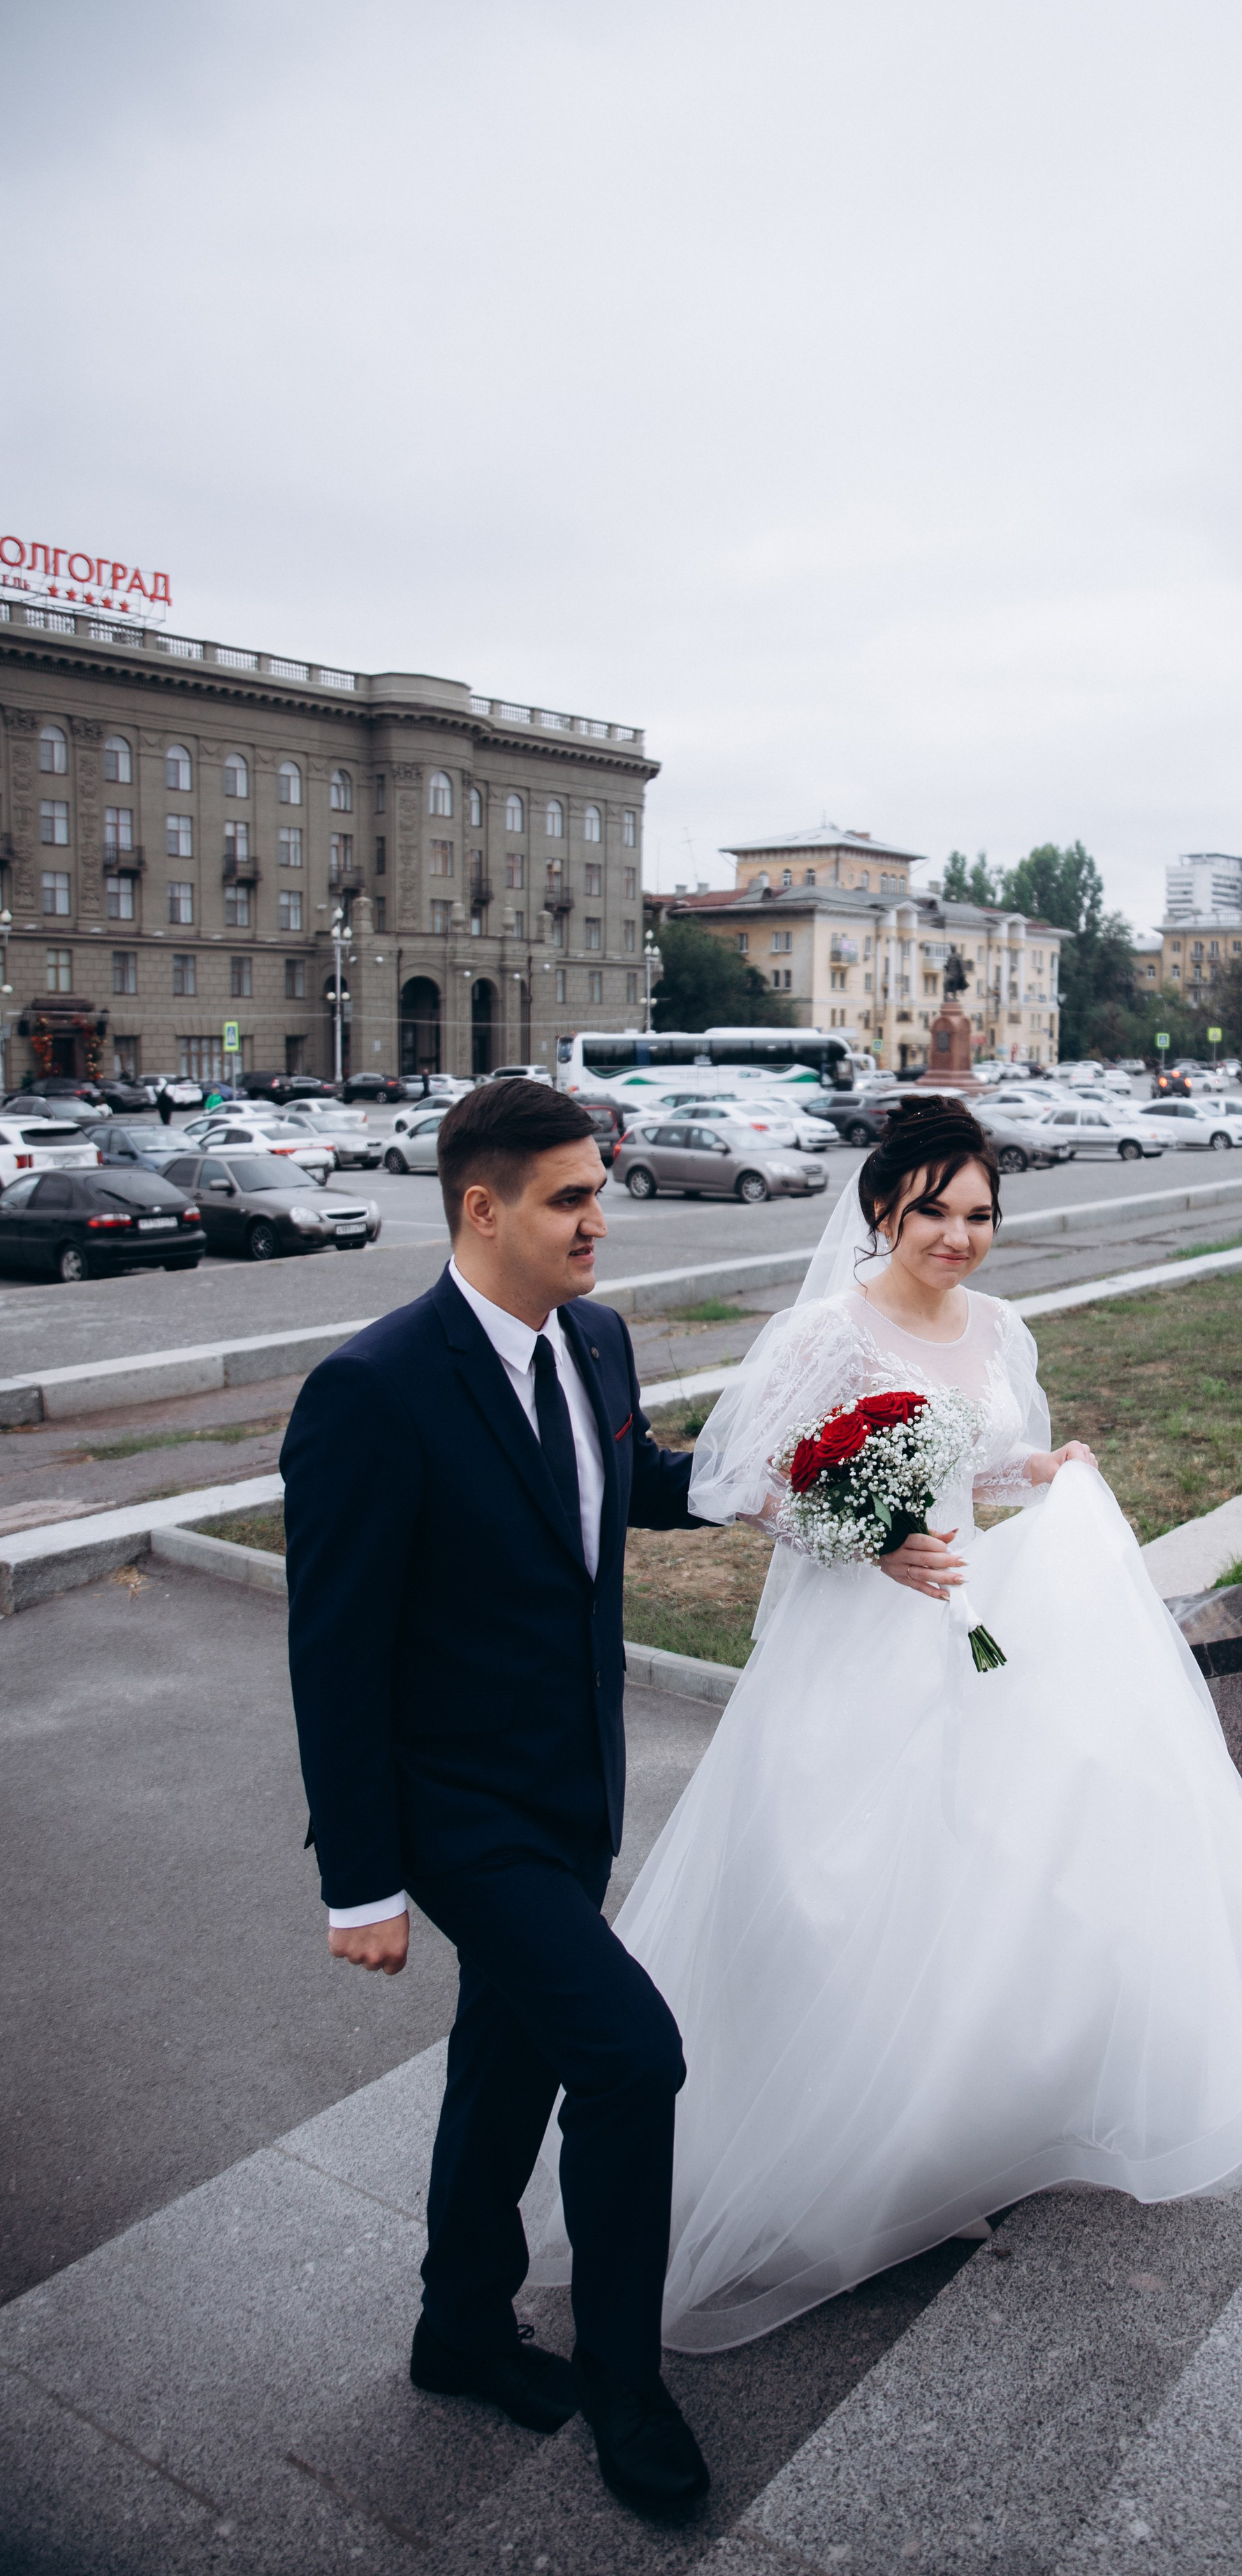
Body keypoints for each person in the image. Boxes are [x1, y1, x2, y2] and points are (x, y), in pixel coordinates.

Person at [527, 1097, 1242, 2351]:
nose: (959, 1238)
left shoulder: (1000, 1325)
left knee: (986, 1884)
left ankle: (949, 2146)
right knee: (845, 1896)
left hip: (979, 1635)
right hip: (859, 1644)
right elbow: (738, 1483)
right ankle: (827, 2168)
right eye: (934, 1214)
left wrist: (1045, 1469)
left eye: (979, 1216)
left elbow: (988, 1456)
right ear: (880, 1211)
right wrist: (857, 1534)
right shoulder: (826, 1334)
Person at [282, 1078, 715, 2524]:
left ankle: (457, 2329)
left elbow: (618, 1484)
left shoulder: (590, 1337)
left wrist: (779, 1474)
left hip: (574, 1785)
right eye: (572, 1198)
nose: (603, 1218)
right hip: (458, 1809)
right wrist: (362, 1882)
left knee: (507, 2065)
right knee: (631, 2052)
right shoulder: (373, 1389)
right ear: (483, 1207)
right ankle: (622, 2380)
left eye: (600, 1190)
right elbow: (333, 1653)